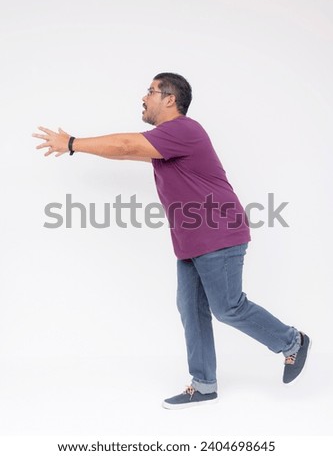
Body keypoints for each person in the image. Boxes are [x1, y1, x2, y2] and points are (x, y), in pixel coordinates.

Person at [34, 72, 311, 410]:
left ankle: (292, 341)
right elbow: (125, 153)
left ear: (169, 99)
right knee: (192, 310)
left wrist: (73, 142)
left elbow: (125, 145)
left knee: (228, 307)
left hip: (217, 232)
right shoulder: (165, 142)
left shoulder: (185, 130)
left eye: (150, 91)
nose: (143, 97)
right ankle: (204, 384)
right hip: (193, 239)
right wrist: (80, 149)